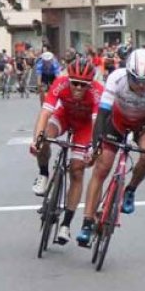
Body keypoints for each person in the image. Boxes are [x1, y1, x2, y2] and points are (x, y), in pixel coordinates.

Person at [76, 49, 145, 246]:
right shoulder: (116, 78)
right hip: (117, 121)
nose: (142, 85)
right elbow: (102, 114)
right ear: (127, 74)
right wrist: (95, 146)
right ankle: (87, 222)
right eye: (136, 80)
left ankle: (131, 189)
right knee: (102, 166)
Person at [30, 58, 103, 244]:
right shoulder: (60, 83)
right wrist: (37, 140)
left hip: (85, 126)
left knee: (77, 171)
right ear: (68, 80)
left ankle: (66, 225)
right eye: (75, 83)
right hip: (64, 117)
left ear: (91, 83)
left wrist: (93, 151)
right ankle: (43, 174)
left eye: (83, 85)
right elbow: (45, 113)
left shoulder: (97, 92)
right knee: (45, 136)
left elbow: (97, 125)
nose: (78, 88)